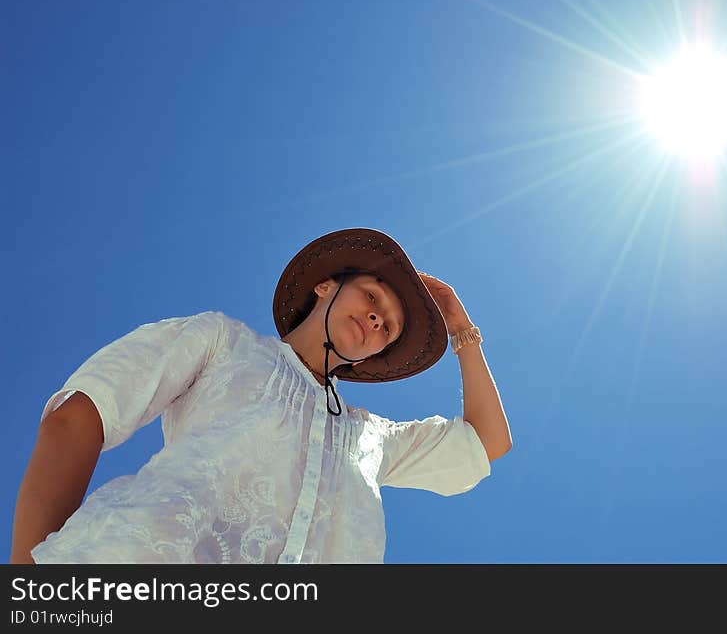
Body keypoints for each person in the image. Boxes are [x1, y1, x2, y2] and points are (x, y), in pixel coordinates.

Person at [10, 228, 511, 563]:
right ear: (324, 287)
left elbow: (487, 441)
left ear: (374, 354)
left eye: (391, 327)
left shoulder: (370, 437)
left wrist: (463, 332)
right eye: (372, 295)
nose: (379, 317)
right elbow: (79, 415)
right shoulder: (221, 342)